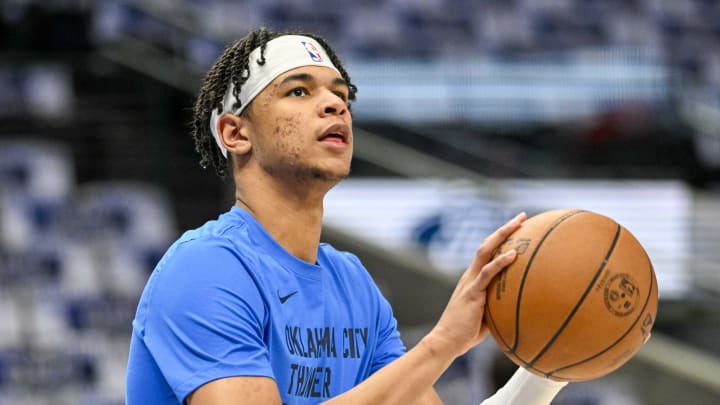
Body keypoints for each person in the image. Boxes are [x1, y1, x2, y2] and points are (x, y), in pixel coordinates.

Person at [125, 27, 568, 405]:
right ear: (235, 132)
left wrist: (550, 368)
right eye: (299, 91)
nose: (335, 105)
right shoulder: (206, 268)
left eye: (340, 95)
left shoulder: (352, 282)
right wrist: (442, 344)